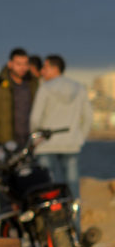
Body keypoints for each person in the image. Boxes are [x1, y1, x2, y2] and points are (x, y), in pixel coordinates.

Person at [30, 54, 93, 211]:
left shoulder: (44, 88)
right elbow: (88, 117)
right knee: (72, 190)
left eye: (45, 67)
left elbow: (35, 118)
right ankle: (74, 230)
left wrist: (36, 138)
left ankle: (49, 230)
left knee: (46, 189)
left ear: (54, 68)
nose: (42, 71)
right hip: (71, 144)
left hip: (46, 144)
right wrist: (80, 138)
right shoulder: (79, 88)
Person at [0, 47, 38, 147]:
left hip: (29, 140)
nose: (23, 68)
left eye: (25, 64)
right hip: (6, 142)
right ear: (10, 64)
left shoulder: (33, 84)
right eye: (18, 64)